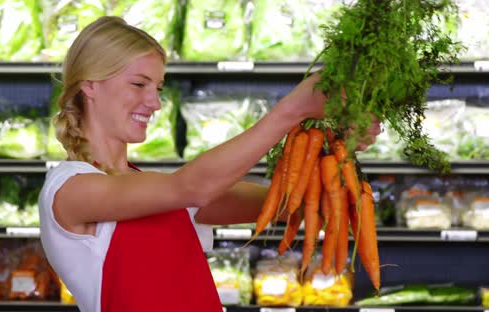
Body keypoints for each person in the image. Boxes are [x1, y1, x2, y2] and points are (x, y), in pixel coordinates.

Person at [38, 16, 381, 312]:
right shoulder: (70, 188)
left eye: (158, 87)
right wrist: (293, 110)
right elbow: (192, 186)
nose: (155, 102)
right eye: (139, 84)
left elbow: (285, 204)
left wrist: (333, 142)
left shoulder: (160, 191)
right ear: (90, 86)